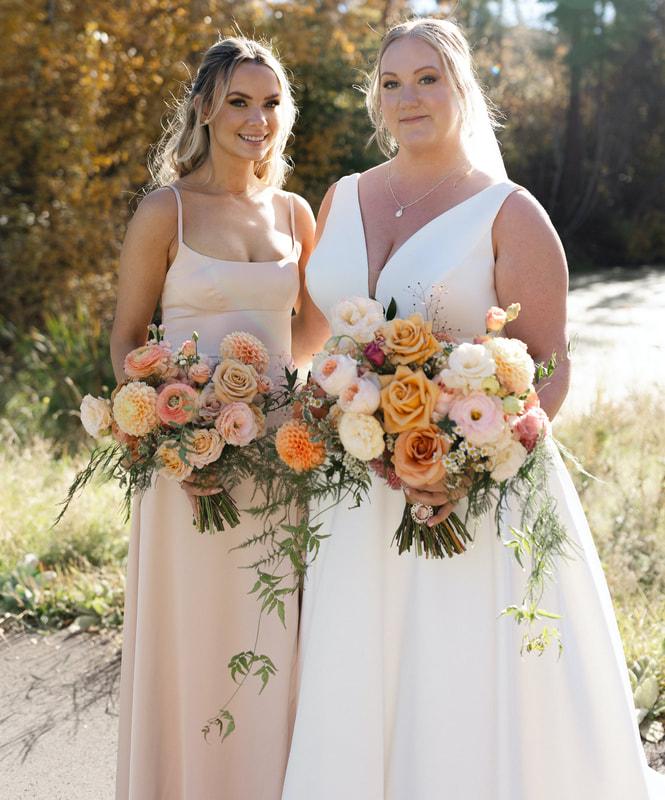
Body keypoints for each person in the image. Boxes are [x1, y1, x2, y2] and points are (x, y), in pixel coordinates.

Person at [282, 18, 665, 800]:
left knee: (455, 674)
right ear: (374, 101)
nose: (407, 97)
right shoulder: (343, 195)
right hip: (351, 494)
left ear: (462, 88)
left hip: (469, 494)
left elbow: (550, 365)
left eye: (427, 79)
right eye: (391, 83)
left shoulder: (507, 211)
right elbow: (311, 341)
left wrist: (474, 462)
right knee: (357, 667)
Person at [110, 36, 325, 799]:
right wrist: (172, 441)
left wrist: (281, 401)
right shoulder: (164, 210)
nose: (256, 118)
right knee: (194, 640)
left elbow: (305, 338)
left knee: (270, 643)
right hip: (186, 471)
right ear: (204, 106)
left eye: (270, 103)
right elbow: (127, 337)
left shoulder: (296, 215)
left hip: (276, 464)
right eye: (239, 100)